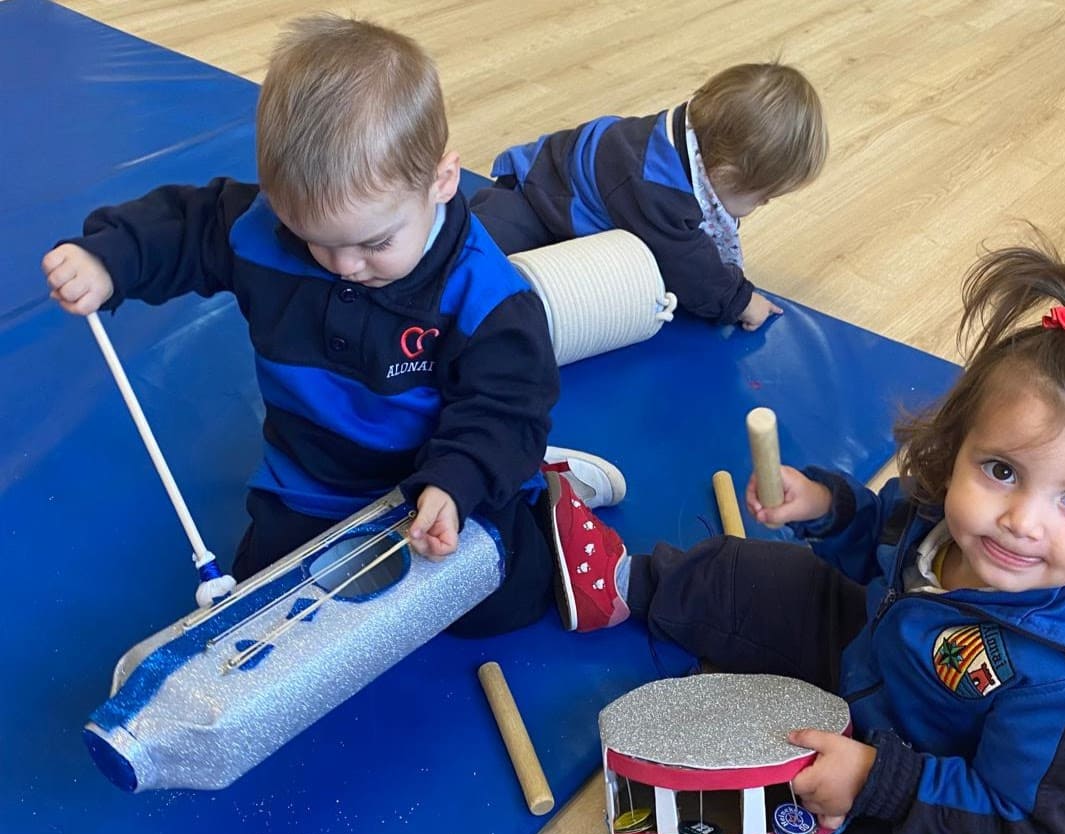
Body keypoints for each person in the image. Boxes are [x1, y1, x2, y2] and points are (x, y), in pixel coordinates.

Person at [623, 235, 1065, 834]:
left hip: (954, 810)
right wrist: (828, 508)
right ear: (956, 448)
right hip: (880, 660)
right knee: (756, 575)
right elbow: (878, 537)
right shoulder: (942, 514)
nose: (1023, 520)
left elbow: (1015, 820)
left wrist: (877, 778)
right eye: (1001, 470)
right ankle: (620, 583)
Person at [40, 15, 629, 635]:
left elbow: (508, 408)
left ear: (441, 181)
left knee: (499, 605)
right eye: (314, 240)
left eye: (375, 243)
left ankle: (544, 501)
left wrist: (458, 482)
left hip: (433, 473)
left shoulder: (487, 299)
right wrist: (108, 259)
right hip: (311, 485)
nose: (345, 265)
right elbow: (185, 227)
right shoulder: (259, 228)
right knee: (271, 614)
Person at [468, 62, 827, 332]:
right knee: (479, 259)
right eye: (763, 198)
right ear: (724, 174)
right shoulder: (660, 188)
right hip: (536, 196)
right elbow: (689, 266)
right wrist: (740, 300)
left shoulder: (691, 146)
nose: (761, 206)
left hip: (591, 220)